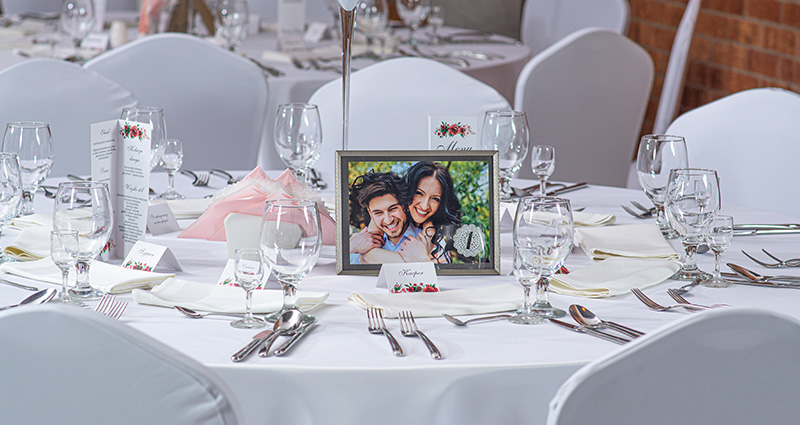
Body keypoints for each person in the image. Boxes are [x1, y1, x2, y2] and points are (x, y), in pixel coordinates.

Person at [348, 171, 426, 265]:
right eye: (378, 213)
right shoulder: (359, 243)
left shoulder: (427, 240)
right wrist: (349, 247)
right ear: (370, 214)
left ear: (405, 206)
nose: (388, 220)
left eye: (393, 209)